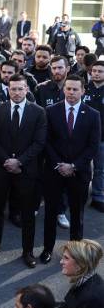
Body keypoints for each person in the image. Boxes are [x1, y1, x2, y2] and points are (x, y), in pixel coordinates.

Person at [0, 74, 46, 268]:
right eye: (13, 89)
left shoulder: (38, 112)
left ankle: (28, 251)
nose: (16, 92)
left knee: (27, 213)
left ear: (27, 89)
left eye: (20, 89)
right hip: (1, 169)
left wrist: (19, 161)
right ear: (8, 90)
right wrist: (6, 160)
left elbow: (39, 142)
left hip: (26, 171)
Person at [40, 75, 100, 265]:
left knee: (77, 215)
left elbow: (92, 146)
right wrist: (60, 164)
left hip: (79, 173)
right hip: (54, 171)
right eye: (68, 89)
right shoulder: (50, 111)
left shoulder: (93, 114)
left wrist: (74, 166)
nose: (71, 93)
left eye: (75, 89)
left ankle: (74, 254)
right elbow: (46, 141)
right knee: (50, 213)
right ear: (63, 90)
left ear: (83, 91)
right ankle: (47, 249)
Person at [54, 239, 104, 308]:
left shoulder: (91, 300)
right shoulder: (89, 280)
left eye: (66, 258)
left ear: (80, 264)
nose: (61, 262)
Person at [84, 61, 104, 213]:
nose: (96, 73)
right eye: (94, 71)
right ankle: (80, 194)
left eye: (100, 71)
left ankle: (98, 196)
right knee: (81, 167)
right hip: (82, 137)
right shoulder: (84, 89)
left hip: (102, 138)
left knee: (99, 169)